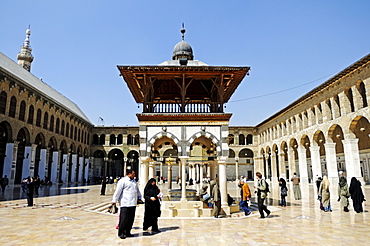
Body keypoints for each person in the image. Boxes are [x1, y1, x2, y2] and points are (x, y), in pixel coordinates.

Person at [111, 170, 142, 239]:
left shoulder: (134, 181)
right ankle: (121, 233)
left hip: (133, 203)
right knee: (124, 219)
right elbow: (118, 191)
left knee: (130, 219)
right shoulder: (123, 181)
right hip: (125, 203)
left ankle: (128, 232)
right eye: (133, 173)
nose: (134, 174)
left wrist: (139, 197)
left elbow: (137, 190)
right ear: (129, 173)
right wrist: (114, 200)